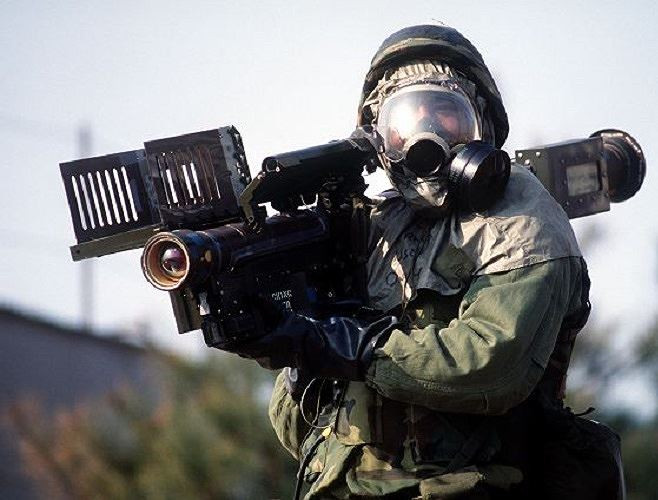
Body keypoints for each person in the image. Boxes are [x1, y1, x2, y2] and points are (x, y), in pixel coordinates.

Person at [229, 25, 600, 499]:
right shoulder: (378, 227)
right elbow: (298, 430)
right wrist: (300, 343)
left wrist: (352, 348)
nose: (425, 133)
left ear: (481, 126)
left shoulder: (521, 218)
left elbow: (490, 367)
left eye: (444, 113)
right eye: (405, 117)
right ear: (380, 137)